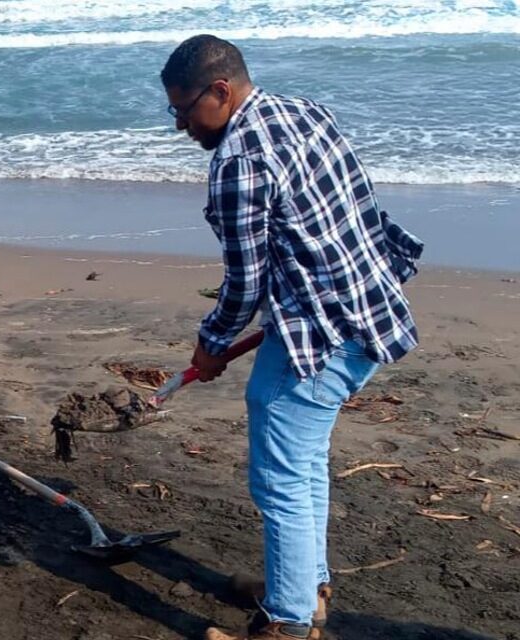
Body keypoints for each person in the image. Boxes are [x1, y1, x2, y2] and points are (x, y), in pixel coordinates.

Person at [160, 35, 424, 640]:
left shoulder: (237, 162)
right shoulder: (305, 111)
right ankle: (303, 588)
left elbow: (245, 281)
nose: (179, 125)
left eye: (184, 110)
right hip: (371, 307)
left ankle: (287, 623)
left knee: (279, 475)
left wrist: (211, 343)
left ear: (220, 91)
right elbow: (362, 213)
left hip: (322, 334)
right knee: (302, 461)